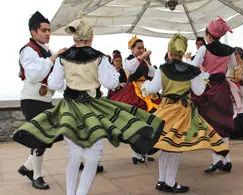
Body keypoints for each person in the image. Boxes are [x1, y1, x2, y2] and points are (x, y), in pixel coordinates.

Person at [13, 18, 164, 195]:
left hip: (70, 110)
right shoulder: (99, 57)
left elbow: (53, 84)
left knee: (75, 156)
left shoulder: (62, 57)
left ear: (74, 39)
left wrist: (69, 82)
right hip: (93, 109)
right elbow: (110, 83)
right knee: (92, 157)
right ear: (91, 37)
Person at [141, 34, 229, 193]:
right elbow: (198, 91)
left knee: (166, 145)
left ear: (169, 52)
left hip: (165, 110)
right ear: (183, 52)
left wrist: (144, 86)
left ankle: (162, 181)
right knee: (176, 147)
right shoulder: (192, 70)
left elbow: (152, 88)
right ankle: (170, 182)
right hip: (182, 111)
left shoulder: (162, 68)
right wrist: (203, 79)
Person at [16, 11, 66, 190]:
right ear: (33, 32)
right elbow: (34, 74)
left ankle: (28, 167)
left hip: (45, 100)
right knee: (40, 138)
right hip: (31, 100)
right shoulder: (27, 50)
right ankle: (36, 175)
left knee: (48, 137)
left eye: (49, 30)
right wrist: (54, 59)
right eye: (43, 30)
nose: (47, 33)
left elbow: (57, 79)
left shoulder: (48, 51)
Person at [186, 17, 240, 173]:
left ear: (208, 35)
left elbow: (195, 68)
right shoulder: (230, 50)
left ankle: (217, 160)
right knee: (223, 123)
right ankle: (226, 160)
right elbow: (233, 70)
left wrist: (189, 60)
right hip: (223, 89)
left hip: (209, 88)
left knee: (210, 125)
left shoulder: (204, 49)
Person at [110, 36, 161, 164]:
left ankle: (142, 152)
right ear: (132, 49)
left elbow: (152, 74)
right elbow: (129, 69)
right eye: (138, 48)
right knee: (137, 121)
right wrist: (141, 57)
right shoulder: (128, 60)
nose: (141, 50)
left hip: (146, 90)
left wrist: (148, 61)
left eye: (142, 48)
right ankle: (136, 153)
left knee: (149, 119)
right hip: (134, 91)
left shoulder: (144, 61)